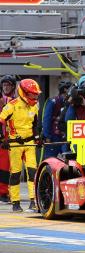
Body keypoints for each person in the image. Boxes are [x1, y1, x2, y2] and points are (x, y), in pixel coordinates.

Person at [0, 79, 41, 212]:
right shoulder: (11, 105)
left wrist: (37, 138)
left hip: (29, 143)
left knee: (32, 172)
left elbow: (35, 123)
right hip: (15, 144)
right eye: (32, 94)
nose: (35, 96)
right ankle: (16, 203)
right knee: (16, 173)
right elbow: (1, 121)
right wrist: (2, 139)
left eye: (36, 94)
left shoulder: (35, 106)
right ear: (23, 93)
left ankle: (33, 201)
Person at [41, 80, 72, 159]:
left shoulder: (70, 103)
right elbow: (46, 119)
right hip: (53, 137)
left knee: (67, 160)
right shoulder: (52, 102)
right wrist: (47, 136)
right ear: (65, 90)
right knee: (50, 160)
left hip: (65, 137)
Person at [0, 75, 16, 202]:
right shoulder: (2, 100)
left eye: (8, 85)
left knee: (8, 167)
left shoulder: (16, 101)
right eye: (4, 85)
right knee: (4, 166)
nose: (6, 87)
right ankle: (3, 192)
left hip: (11, 136)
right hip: (3, 135)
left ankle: (4, 192)